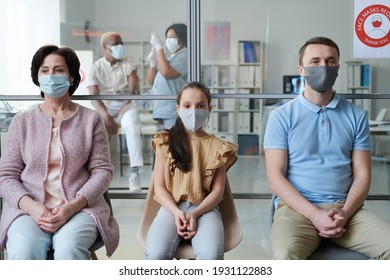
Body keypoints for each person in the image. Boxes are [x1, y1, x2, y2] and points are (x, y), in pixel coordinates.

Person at [264, 36, 390, 259]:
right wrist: (314, 214)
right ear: (301, 70)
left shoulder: (356, 116)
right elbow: (275, 177)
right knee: (284, 256)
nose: (323, 66)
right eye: (315, 61)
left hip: (346, 211)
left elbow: (362, 175)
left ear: (338, 68)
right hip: (297, 210)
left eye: (330, 61)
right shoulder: (281, 117)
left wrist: (344, 213)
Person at [0, 45, 119, 260]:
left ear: (72, 77)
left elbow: (102, 171)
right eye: (44, 70)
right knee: (25, 250)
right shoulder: (22, 122)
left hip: (79, 208)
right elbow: (6, 176)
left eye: (58, 70)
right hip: (29, 209)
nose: (51, 76)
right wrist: (34, 208)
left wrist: (72, 207)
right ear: (37, 76)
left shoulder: (90, 120)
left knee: (68, 248)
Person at [145, 81, 238, 260]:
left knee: (210, 256)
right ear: (178, 108)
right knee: (156, 254)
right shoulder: (165, 141)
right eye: (187, 105)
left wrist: (195, 213)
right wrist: (177, 212)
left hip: (206, 209)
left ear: (210, 109)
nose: (194, 111)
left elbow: (218, 193)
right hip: (171, 208)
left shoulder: (219, 147)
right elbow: (160, 187)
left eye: (200, 105)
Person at [87, 31, 143, 192]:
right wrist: (105, 116)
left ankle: (134, 173)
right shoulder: (95, 68)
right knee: (93, 131)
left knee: (132, 122)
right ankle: (95, 175)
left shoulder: (128, 65)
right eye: (115, 44)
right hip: (103, 108)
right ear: (105, 47)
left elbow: (133, 91)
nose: (120, 47)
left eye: (121, 44)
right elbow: (94, 96)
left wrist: (120, 112)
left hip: (125, 107)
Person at [147, 23, 188, 130]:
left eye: (172, 37)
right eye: (167, 38)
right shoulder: (170, 59)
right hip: (162, 110)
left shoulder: (186, 55)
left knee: (172, 143)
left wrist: (159, 48)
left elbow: (167, 73)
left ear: (182, 38)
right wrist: (153, 63)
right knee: (163, 144)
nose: (168, 41)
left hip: (172, 111)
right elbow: (151, 81)